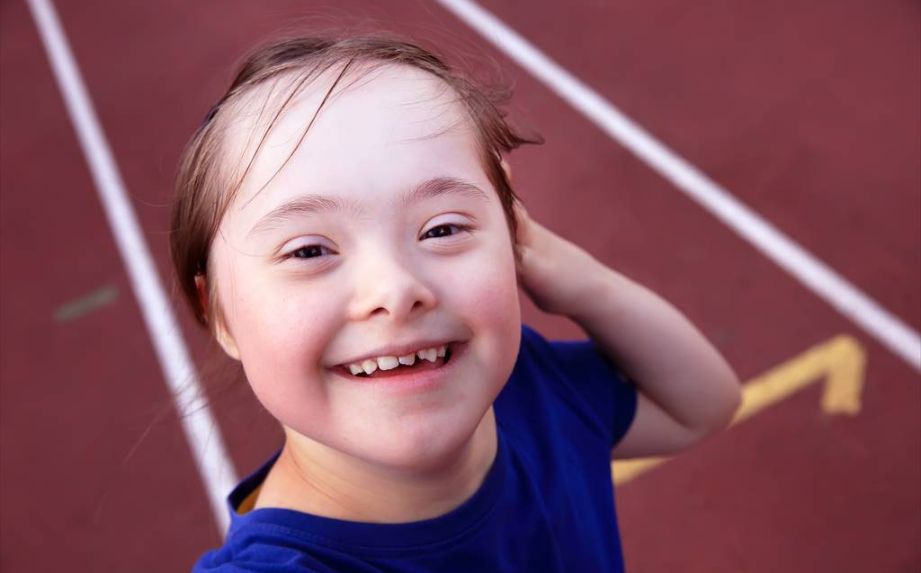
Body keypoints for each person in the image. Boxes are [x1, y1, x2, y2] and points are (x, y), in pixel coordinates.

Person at [174, 35, 742, 572]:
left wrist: (573, 276)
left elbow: (699, 407)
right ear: (219, 311)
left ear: (513, 236)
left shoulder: (530, 390)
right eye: (309, 250)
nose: (395, 291)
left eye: (442, 230)